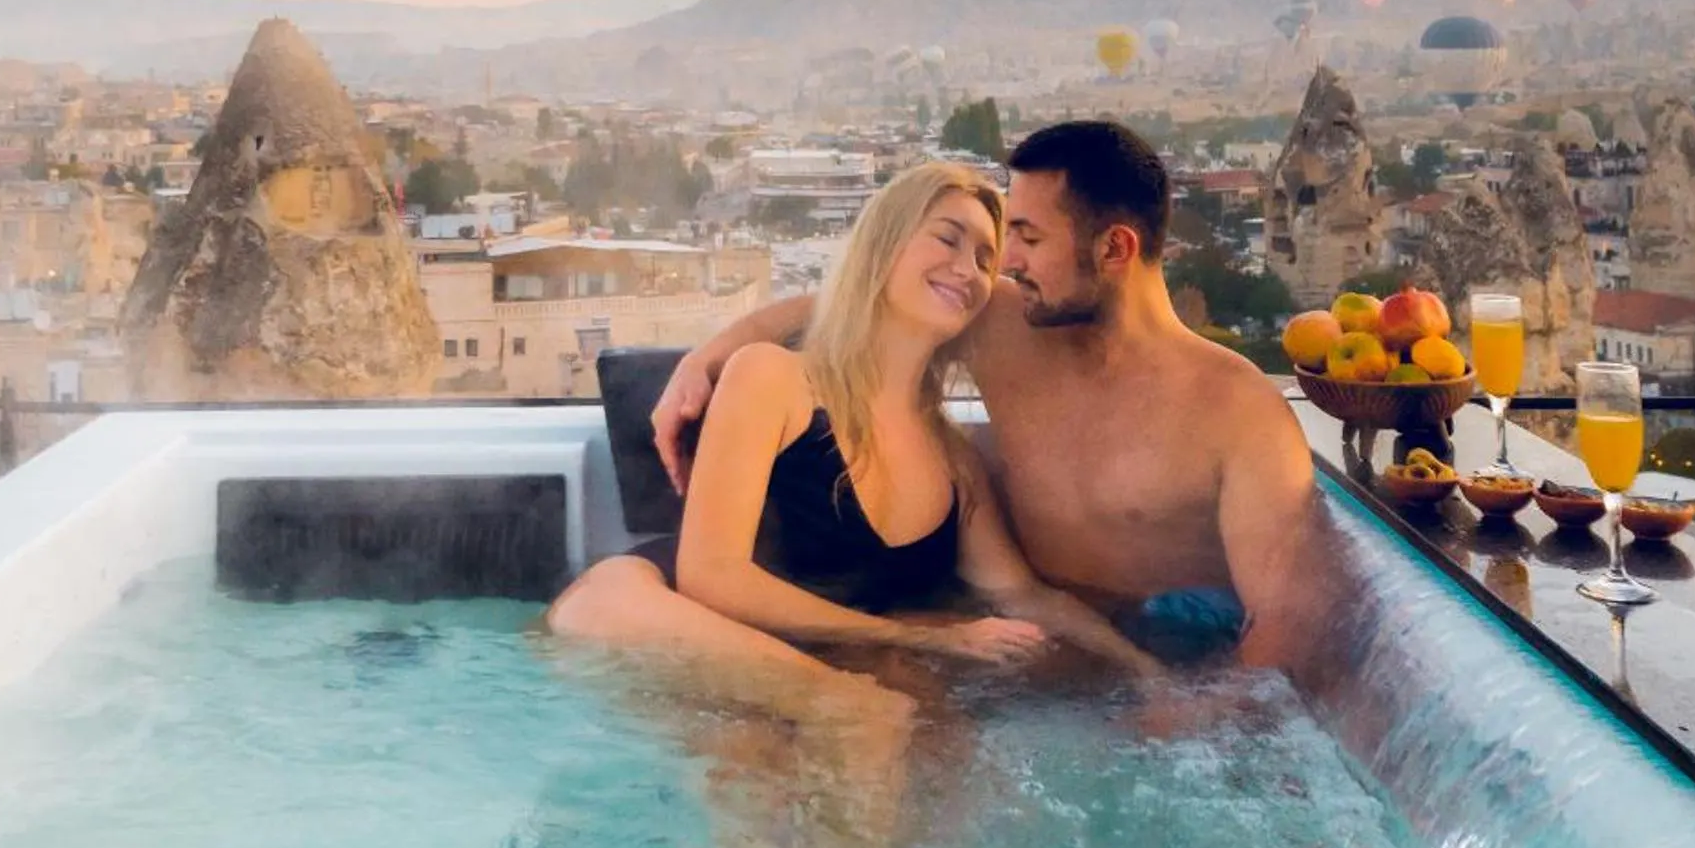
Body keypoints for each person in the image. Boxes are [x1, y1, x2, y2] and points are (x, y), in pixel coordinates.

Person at [652, 120, 1326, 673]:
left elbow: (1285, 622)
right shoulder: (1009, 321)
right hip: (1011, 636)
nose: (1003, 264)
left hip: (1160, 640)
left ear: (1115, 248)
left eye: (1024, 239)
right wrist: (704, 359)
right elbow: (855, 298)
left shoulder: (1239, 411)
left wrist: (1188, 702)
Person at [550, 161, 1161, 688]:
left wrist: (1146, 673)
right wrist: (923, 639)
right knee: (862, 712)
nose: (966, 269)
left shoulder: (952, 462)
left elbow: (1022, 595)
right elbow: (712, 579)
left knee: (897, 719)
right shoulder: (775, 380)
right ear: (884, 245)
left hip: (809, 663)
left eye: (983, 258)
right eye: (947, 239)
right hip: (682, 626)